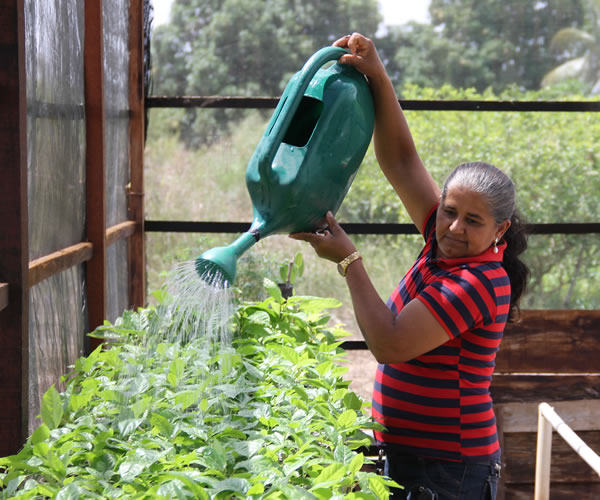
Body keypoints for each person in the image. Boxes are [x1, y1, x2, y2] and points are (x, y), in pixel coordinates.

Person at [290, 33, 530, 500]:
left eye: (473, 221)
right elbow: (400, 159)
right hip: (413, 456)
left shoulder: (481, 279)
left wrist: (349, 260)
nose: (455, 227)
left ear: (499, 231)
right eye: (449, 210)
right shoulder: (439, 238)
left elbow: (390, 343)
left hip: (448, 468)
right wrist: (376, 73)